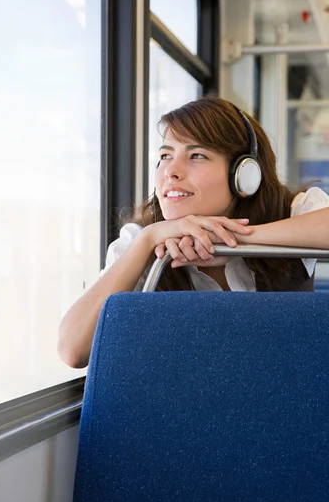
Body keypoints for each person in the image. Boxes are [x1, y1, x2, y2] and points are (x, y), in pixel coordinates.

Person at [58, 96, 329, 368]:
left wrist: (232, 236)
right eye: (165, 156)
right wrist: (148, 239)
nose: (171, 172)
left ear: (245, 175)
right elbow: (73, 350)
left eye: (197, 155)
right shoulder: (142, 239)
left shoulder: (292, 213)